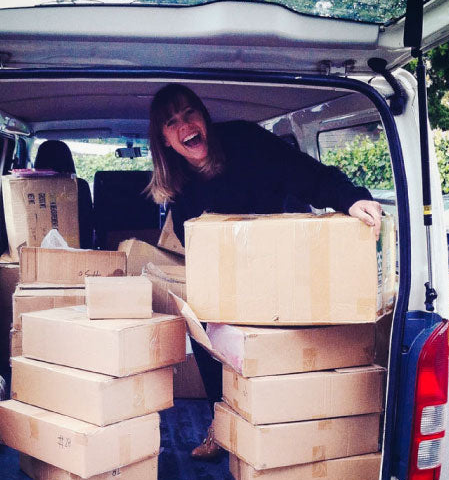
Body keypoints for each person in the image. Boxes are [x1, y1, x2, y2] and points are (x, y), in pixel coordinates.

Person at [144, 83, 383, 460]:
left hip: (280, 262)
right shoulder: (179, 185)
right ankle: (221, 423)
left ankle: (291, 427)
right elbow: (198, 242)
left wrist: (351, 199)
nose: (184, 124)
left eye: (189, 112)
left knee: (279, 346)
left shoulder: (245, 142)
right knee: (208, 325)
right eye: (172, 122)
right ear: (166, 141)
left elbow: (310, 175)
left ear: (204, 116)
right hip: (232, 273)